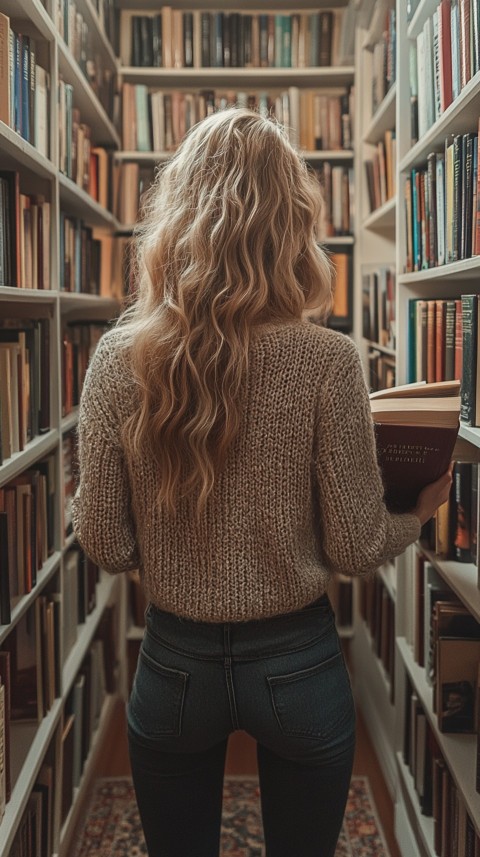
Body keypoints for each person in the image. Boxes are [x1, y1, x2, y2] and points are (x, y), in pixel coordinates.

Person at [72, 107, 452, 857]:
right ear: (293, 222)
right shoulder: (329, 360)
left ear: (175, 218)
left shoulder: (117, 361)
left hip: (173, 662)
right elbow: (353, 545)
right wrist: (418, 513)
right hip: (301, 661)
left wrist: (91, 499)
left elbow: (107, 544)